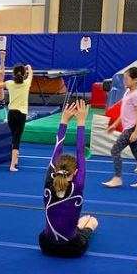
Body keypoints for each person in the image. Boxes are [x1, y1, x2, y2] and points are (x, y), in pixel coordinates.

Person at [39, 101, 97, 258]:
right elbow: (80, 151)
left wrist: (64, 120)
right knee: (91, 221)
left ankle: (79, 226)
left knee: (72, 223)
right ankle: (86, 225)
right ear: (77, 172)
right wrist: (81, 121)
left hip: (46, 246)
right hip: (72, 249)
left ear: (55, 170)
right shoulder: (77, 185)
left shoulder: (48, 183)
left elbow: (57, 147)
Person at [103, 66, 137, 189]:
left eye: (126, 78)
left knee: (115, 150)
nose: (124, 80)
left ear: (135, 80)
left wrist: (135, 131)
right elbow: (124, 112)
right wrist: (115, 124)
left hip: (132, 128)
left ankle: (117, 178)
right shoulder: (127, 92)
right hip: (129, 128)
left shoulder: (136, 95)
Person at [0, 63, 32, 172]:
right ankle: (12, 165)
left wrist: (0, 72)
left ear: (14, 74)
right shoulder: (26, 83)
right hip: (21, 114)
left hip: (11, 113)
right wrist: (29, 67)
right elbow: (31, 74)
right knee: (17, 139)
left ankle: (15, 160)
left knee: (14, 136)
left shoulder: (9, 83)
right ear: (24, 74)